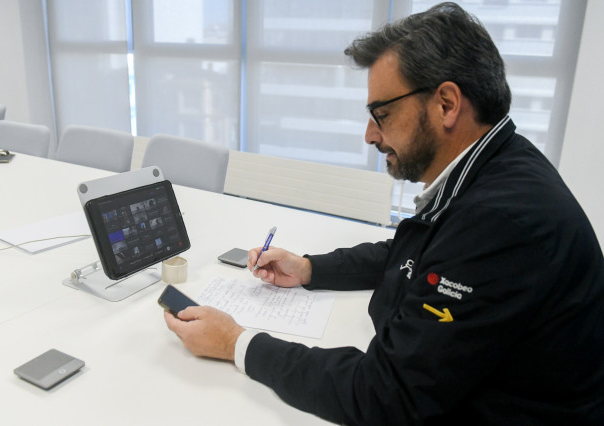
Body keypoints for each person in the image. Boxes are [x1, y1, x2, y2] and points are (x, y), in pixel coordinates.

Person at [164, 2, 604, 424]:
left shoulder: (503, 221)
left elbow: (386, 396)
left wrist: (238, 344)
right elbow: (415, 250)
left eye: (382, 113)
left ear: (447, 104)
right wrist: (309, 268)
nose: (371, 135)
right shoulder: (497, 164)